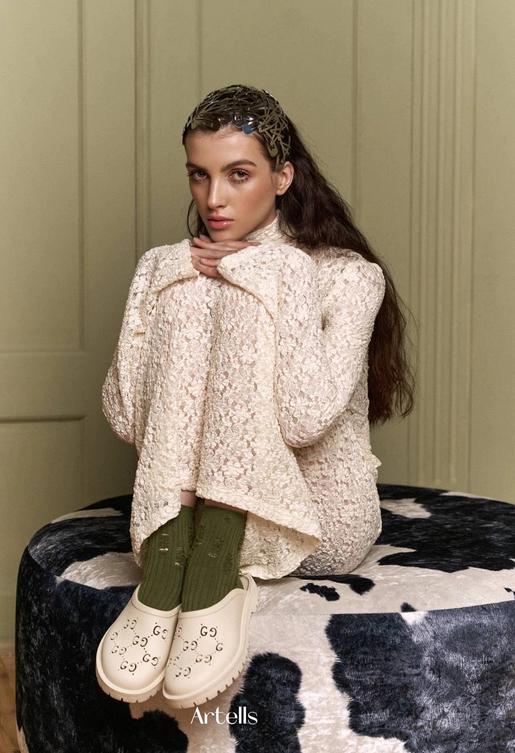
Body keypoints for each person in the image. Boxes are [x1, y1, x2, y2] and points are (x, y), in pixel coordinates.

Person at [95, 84, 415, 710]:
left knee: (233, 292)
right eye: (199, 175)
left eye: (238, 175)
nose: (214, 198)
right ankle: (172, 564)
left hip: (316, 521)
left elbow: (302, 419)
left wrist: (275, 276)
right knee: (192, 285)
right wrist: (156, 279)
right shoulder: (186, 268)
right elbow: (127, 417)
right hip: (183, 516)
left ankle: (212, 569)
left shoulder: (349, 275)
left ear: (282, 177)